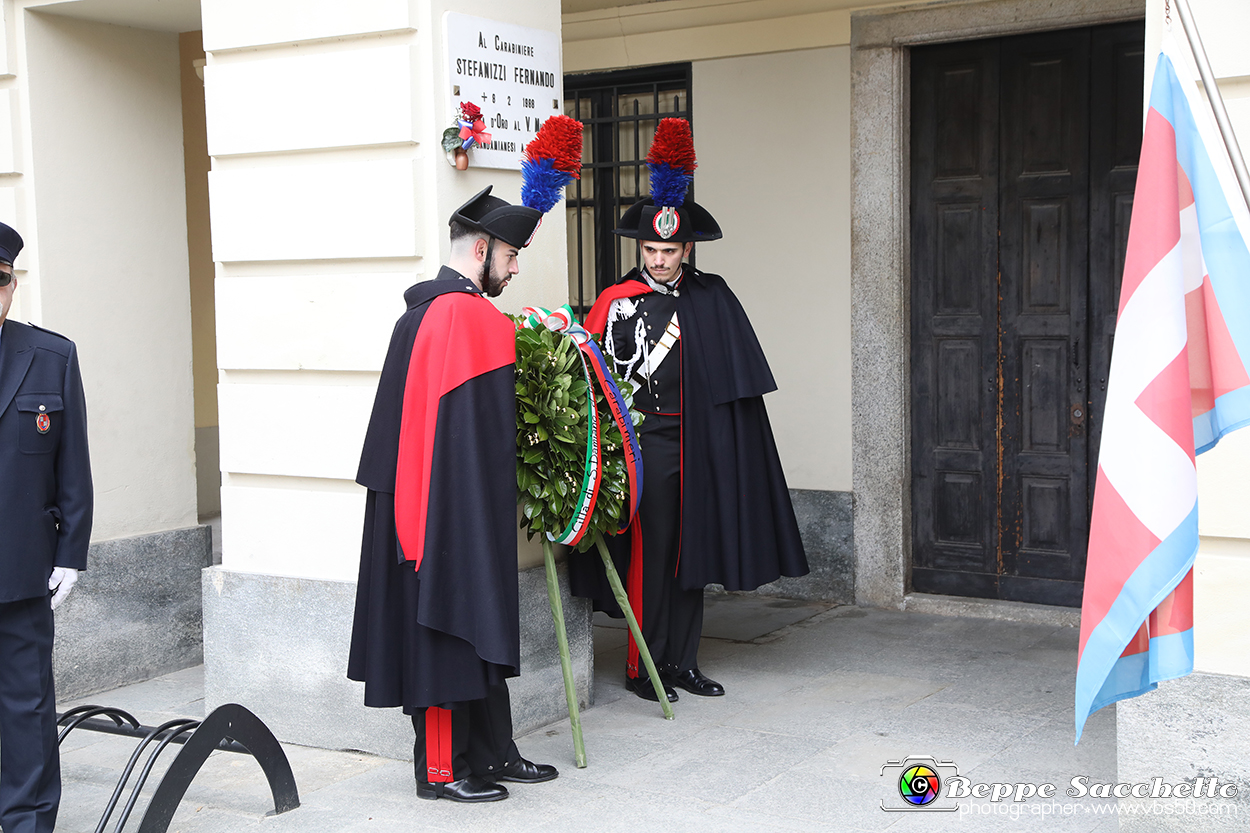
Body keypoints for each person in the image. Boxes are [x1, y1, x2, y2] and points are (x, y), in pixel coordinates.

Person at [574, 119, 809, 702]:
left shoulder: (712, 296)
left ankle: (682, 662)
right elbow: (591, 385)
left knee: (690, 558)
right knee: (650, 563)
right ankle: (643, 668)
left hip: (699, 445)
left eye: (668, 250)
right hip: (645, 448)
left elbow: (734, 387)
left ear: (687, 249)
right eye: (650, 250)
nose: (658, 260)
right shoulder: (615, 301)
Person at [348, 187, 558, 804]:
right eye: (512, 254)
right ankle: (442, 768)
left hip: (451, 505)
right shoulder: (459, 317)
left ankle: (493, 751)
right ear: (483, 248)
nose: (516, 267)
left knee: (475, 619)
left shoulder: (427, 313)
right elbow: (437, 442)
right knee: (445, 626)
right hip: (441, 511)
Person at [0, 220, 93, 833]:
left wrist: (71, 554)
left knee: (26, 706)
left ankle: (27, 822)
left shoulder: (50, 354)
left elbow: (73, 461)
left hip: (21, 565)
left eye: (1, 281)